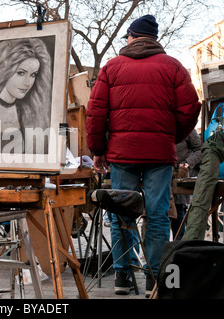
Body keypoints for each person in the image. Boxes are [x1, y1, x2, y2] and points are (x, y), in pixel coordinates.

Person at [86, 15, 201, 297]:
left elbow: (96, 112)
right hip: (159, 155)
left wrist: (98, 150)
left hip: (122, 153)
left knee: (121, 213)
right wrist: (170, 137)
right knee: (159, 215)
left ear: (132, 37)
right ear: (154, 38)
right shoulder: (173, 67)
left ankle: (123, 277)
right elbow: (191, 108)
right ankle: (155, 277)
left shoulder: (112, 67)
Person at [0, 38, 52, 154]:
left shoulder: (30, 112)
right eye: (21, 73)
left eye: (33, 75)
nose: (27, 82)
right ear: (4, 70)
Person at [171, 129, 202, 239]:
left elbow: (199, 149)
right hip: (159, 173)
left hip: (179, 174)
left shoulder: (186, 126)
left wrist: (187, 164)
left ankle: (179, 249)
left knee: (178, 214)